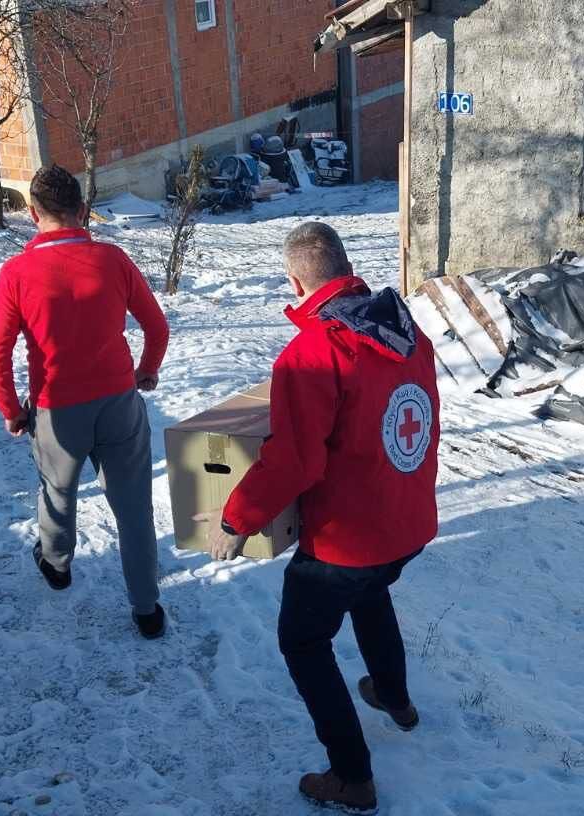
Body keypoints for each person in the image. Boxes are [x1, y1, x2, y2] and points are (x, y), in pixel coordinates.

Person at [193, 222, 440, 813]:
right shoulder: (406, 332)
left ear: (295, 280)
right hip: (408, 523)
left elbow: (294, 460)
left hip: (350, 538)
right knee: (371, 590)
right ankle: (393, 697)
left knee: (303, 639)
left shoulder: (313, 352)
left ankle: (351, 777)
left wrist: (236, 519)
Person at [0, 164, 171, 639]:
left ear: (32, 214)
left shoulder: (17, 273)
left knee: (57, 493)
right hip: (118, 402)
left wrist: (11, 410)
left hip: (56, 407)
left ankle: (57, 565)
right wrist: (146, 369)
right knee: (133, 510)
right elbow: (157, 326)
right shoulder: (113, 260)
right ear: (83, 212)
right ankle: (147, 609)